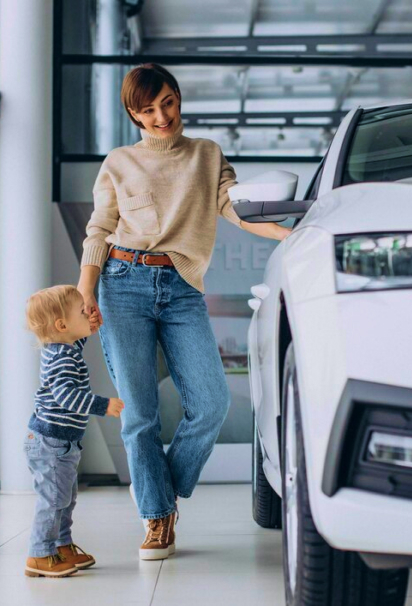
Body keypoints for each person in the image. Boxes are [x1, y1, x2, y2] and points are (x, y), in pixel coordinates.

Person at [77, 63, 291, 561]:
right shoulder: (119, 162)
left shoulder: (207, 155)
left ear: (179, 98)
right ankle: (156, 518)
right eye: (147, 110)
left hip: (181, 287)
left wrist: (283, 232)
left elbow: (235, 209)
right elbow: (98, 229)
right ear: (133, 114)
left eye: (167, 102)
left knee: (212, 402)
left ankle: (162, 491)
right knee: (141, 414)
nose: (161, 116)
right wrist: (85, 291)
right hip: (121, 282)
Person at [23, 285, 124, 578]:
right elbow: (67, 396)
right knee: (54, 500)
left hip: (59, 442)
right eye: (82, 312)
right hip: (50, 442)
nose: (88, 315)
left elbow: (74, 348)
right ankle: (39, 554)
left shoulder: (61, 348)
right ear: (62, 325)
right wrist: (102, 405)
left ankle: (62, 545)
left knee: (65, 498)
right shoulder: (63, 358)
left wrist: (86, 330)